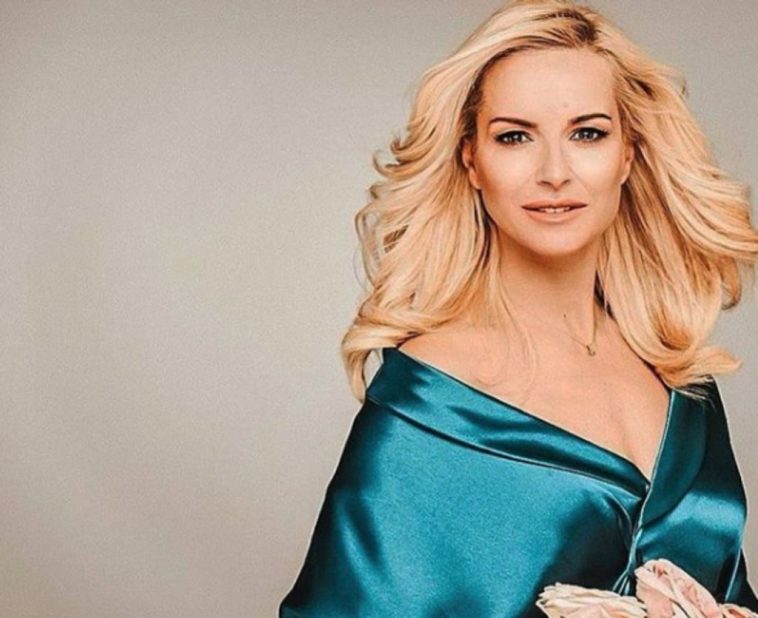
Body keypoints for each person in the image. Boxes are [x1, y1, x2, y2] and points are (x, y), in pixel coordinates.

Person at [280, 0, 758, 615]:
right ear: (472, 160)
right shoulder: (431, 402)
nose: (554, 171)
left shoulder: (675, 369)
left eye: (587, 133)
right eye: (514, 137)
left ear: (628, 154)